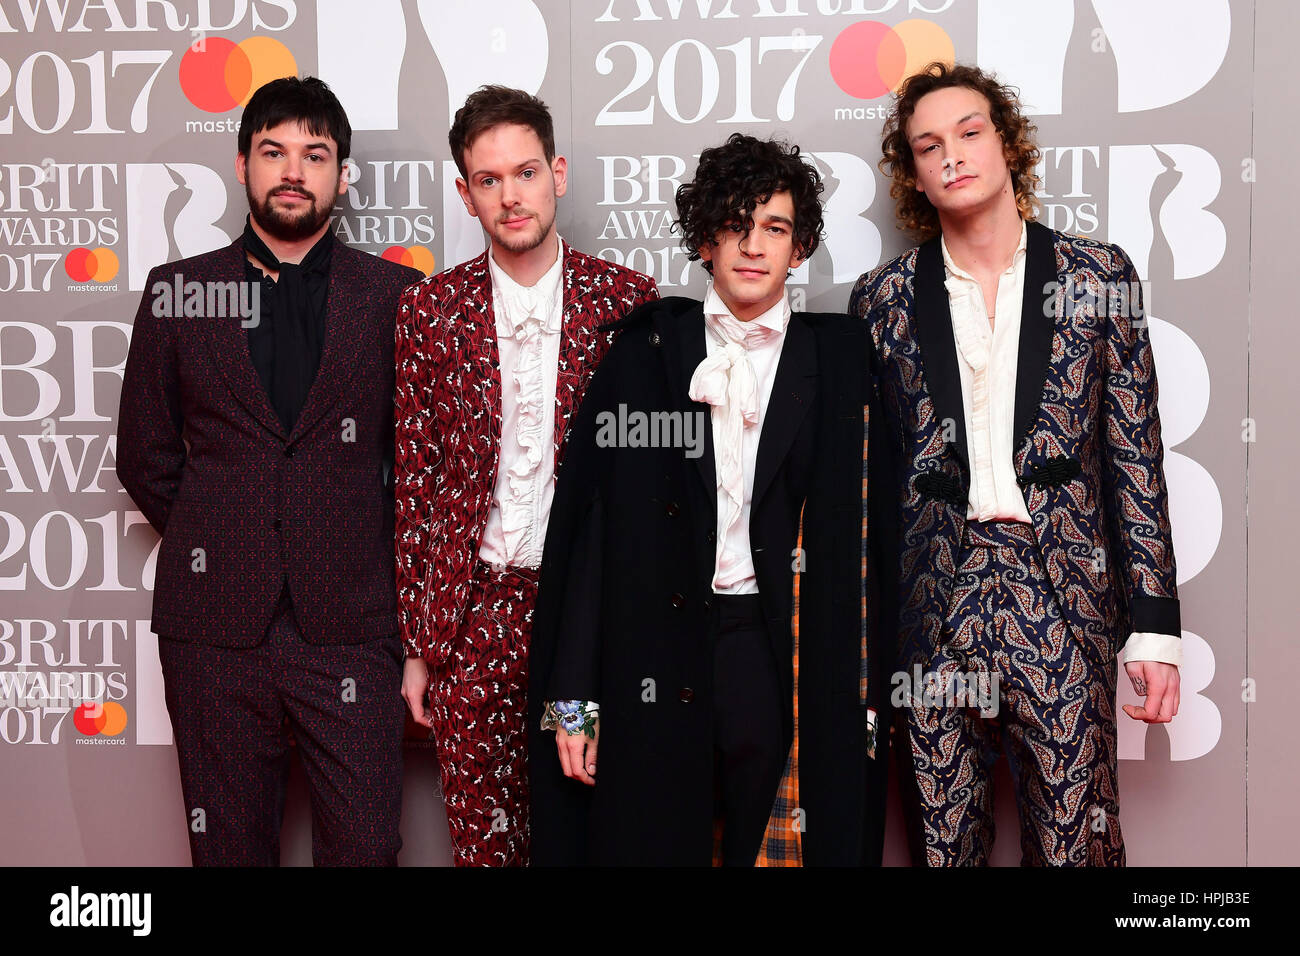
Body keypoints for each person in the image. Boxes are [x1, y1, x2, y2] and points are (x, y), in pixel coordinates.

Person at [528, 133, 894, 866]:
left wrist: (870, 703)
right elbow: (586, 547)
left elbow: (874, 549)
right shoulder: (645, 355)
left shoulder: (844, 362)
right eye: (733, 224)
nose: (752, 245)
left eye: (775, 228)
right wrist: (571, 707)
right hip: (654, 662)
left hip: (778, 657)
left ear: (802, 247)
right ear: (703, 240)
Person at [849, 61, 1182, 866]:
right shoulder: (882, 298)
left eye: (969, 133)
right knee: (940, 847)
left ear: (1006, 145)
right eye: (929, 146)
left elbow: (1134, 453)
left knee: (1077, 846)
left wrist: (1157, 629)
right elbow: (871, 480)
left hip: (1061, 593)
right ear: (915, 175)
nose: (952, 155)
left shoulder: (1099, 278)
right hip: (934, 606)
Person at [117, 76, 422, 865]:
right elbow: (144, 454)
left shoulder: (397, 298)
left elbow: (422, 466)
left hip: (353, 631)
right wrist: (225, 534)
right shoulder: (180, 294)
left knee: (363, 849)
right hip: (213, 631)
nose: (294, 170)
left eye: (315, 155)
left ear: (342, 175)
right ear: (242, 165)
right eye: (274, 151)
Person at [394, 85, 658, 866]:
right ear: (465, 193)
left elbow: (640, 492)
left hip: (588, 616)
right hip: (474, 617)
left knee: (588, 834)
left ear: (559, 174)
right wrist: (419, 643)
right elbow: (417, 483)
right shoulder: (429, 311)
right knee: (486, 845)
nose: (512, 196)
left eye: (527, 172)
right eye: (489, 179)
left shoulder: (627, 303)